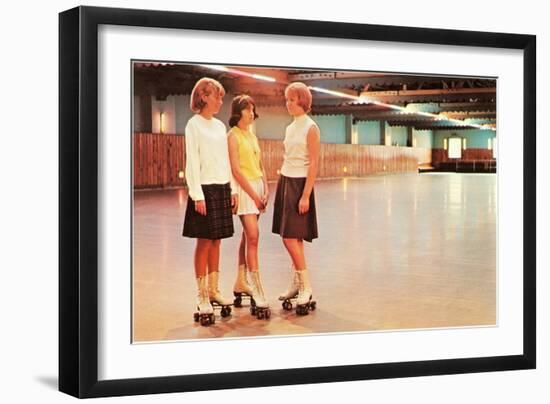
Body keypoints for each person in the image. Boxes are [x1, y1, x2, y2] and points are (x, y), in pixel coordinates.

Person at [182, 77, 238, 326]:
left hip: (222, 186)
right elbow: (192, 161)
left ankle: (214, 289)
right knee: (204, 241)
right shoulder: (193, 126)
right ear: (204, 97)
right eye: (217, 97)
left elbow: (226, 160)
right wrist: (196, 194)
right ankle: (201, 294)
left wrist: (233, 189)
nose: (220, 102)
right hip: (203, 188)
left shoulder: (218, 127)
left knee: (217, 240)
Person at [272, 82, 320, 315]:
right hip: (286, 181)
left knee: (290, 237)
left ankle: (306, 286)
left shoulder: (311, 128)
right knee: (294, 238)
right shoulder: (290, 127)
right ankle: (297, 283)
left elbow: (313, 163)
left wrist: (306, 195)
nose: (288, 103)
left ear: (302, 100)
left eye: (292, 99)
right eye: (286, 99)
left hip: (301, 183)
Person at [227, 95, 271, 319]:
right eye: (247, 109)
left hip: (256, 187)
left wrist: (265, 186)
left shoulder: (252, 135)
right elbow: (235, 169)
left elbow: (260, 164)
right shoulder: (232, 136)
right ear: (238, 112)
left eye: (253, 109)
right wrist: (253, 194)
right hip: (245, 189)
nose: (251, 113)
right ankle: (257, 288)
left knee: (247, 237)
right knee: (253, 236)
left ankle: (240, 282)